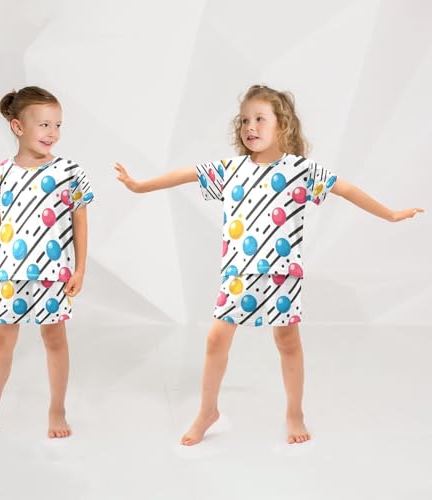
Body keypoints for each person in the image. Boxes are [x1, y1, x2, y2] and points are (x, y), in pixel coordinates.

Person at [115, 84, 423, 445]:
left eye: (260, 119)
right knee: (216, 339)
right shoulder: (232, 169)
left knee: (287, 341)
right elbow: (187, 174)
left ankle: (295, 413)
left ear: (283, 125)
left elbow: (346, 189)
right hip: (238, 273)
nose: (250, 126)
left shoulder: (299, 170)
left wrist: (390, 214)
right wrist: (140, 186)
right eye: (245, 120)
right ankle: (206, 412)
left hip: (282, 274)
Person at [0, 86, 94, 439]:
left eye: (58, 125)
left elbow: (80, 220)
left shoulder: (69, 171)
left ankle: (57, 410)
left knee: (54, 339)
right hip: (9, 276)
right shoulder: (1, 174)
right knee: (1, 344)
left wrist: (79, 269)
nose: (52, 133)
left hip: (53, 275)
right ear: (18, 127)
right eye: (44, 125)